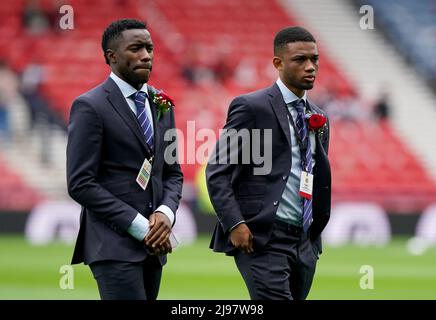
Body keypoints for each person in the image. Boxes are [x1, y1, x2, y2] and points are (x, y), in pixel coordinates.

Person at [206, 26, 331, 300]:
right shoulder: (251, 107)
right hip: (262, 240)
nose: (310, 67)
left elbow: (315, 174)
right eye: (300, 60)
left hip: (304, 242)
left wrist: (312, 241)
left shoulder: (319, 116)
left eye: (314, 59)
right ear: (278, 63)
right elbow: (217, 171)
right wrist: (234, 223)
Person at [67, 19, 183, 300]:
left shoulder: (161, 103)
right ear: (112, 56)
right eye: (136, 48)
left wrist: (165, 215)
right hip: (113, 245)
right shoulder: (90, 106)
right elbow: (80, 183)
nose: (146, 55)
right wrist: (141, 225)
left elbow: (172, 173)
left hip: (154, 246)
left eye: (149, 48)